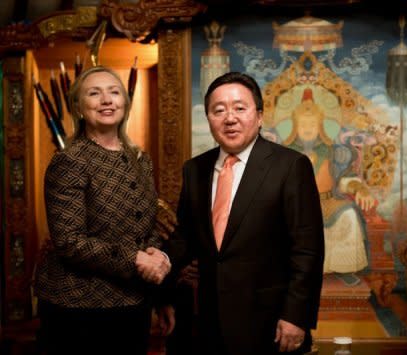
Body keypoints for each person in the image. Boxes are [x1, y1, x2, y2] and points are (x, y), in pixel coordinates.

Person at [168, 72, 324, 355]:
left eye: (240, 108)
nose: (230, 118)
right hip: (207, 322)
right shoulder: (195, 169)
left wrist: (295, 316)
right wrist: (162, 259)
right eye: (219, 110)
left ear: (260, 116)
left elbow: (308, 249)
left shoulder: (290, 166)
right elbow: (184, 236)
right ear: (209, 119)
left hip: (269, 323)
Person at [34, 66, 174, 355]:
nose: (107, 100)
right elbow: (69, 242)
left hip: (133, 303)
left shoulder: (139, 159)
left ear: (125, 102)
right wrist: (136, 260)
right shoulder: (69, 161)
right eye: (94, 93)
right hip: (79, 309)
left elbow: (145, 228)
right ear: (79, 107)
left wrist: (157, 261)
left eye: (114, 92)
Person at [283, 88, 375, 283]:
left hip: (328, 202)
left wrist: (358, 188)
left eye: (312, 124)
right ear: (295, 126)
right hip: (295, 205)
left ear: (321, 126)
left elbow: (343, 180)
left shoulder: (334, 152)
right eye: (303, 124)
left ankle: (344, 268)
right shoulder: (283, 154)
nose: (308, 128)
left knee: (349, 215)